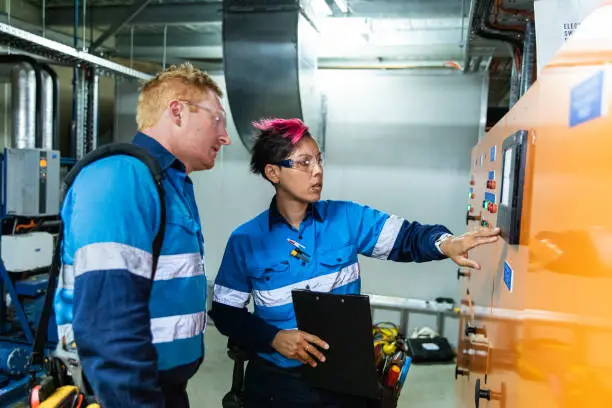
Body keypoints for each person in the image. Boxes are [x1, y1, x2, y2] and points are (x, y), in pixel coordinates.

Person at [209, 118, 500, 408]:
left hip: (345, 374)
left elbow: (407, 237)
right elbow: (225, 312)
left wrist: (445, 243)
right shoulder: (246, 240)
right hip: (280, 382)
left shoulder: (346, 219)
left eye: (319, 161)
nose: (318, 171)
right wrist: (274, 338)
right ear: (273, 172)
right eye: (304, 163)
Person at [54, 63, 231, 408]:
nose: (224, 135)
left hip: (159, 386)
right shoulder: (121, 177)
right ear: (177, 111)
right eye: (217, 119)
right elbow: (108, 323)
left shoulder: (166, 182)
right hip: (125, 392)